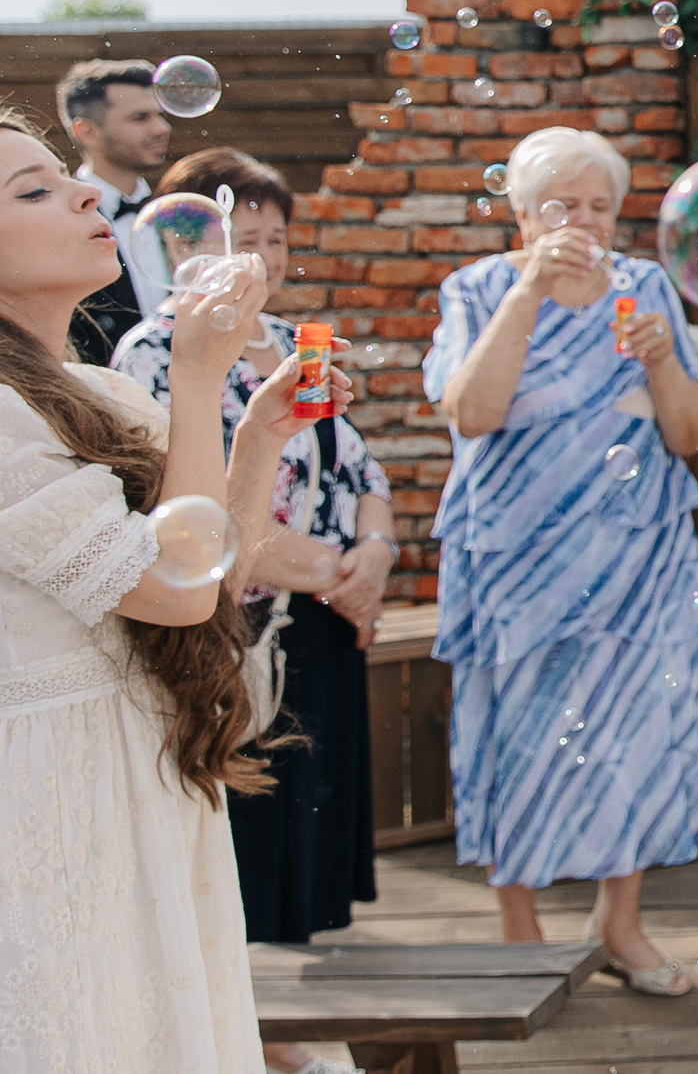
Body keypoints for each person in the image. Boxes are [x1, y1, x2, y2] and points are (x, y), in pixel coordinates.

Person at [0, 101, 347, 1071]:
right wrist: (201, 377)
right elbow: (172, 588)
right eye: (34, 190)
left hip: (140, 772)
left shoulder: (99, 393)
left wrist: (257, 436)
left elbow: (213, 573)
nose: (80, 189)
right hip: (51, 792)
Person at [109, 149, 394, 1074]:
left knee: (303, 832)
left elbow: (360, 466)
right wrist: (319, 567)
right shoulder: (154, 353)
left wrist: (375, 552)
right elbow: (177, 499)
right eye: (243, 237)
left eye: (275, 239)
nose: (261, 257)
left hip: (318, 623)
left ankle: (281, 1027)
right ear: (189, 249)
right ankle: (262, 1039)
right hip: (230, 626)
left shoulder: (292, 341)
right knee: (241, 835)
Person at [423, 127, 698, 995]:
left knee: (632, 730)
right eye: (560, 204)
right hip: (517, 557)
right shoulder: (475, 290)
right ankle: (521, 931)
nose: (582, 221)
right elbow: (471, 411)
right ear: (519, 215)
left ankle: (619, 923)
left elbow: (692, 434)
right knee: (519, 729)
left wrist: (667, 362)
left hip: (638, 549)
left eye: (599, 205)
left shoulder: (645, 289)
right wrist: (526, 296)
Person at [56, 58, 172, 366]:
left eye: (158, 116)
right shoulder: (58, 222)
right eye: (139, 118)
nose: (162, 128)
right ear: (87, 131)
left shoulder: (181, 214)